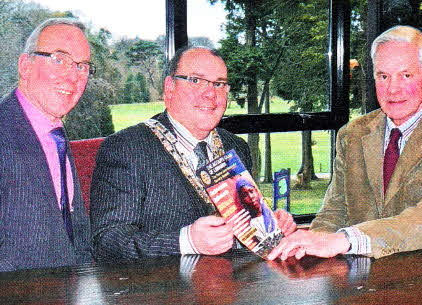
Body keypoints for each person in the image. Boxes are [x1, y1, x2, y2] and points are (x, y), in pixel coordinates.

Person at [90, 46, 296, 261]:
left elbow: (243, 226)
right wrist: (186, 241)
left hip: (235, 287)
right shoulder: (126, 148)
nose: (210, 93)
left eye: (219, 83)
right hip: (165, 291)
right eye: (196, 80)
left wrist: (270, 224)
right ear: (170, 87)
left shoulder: (236, 147)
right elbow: (107, 242)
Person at [268, 25, 422, 261]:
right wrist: (307, 246)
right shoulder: (352, 134)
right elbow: (334, 212)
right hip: (361, 286)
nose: (392, 89)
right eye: (383, 76)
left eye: (406, 75)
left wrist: (345, 240)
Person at [0, 18, 93, 272]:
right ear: (25, 66)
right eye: (59, 59)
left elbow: (76, 240)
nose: (73, 76)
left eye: (82, 66)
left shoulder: (56, 136)